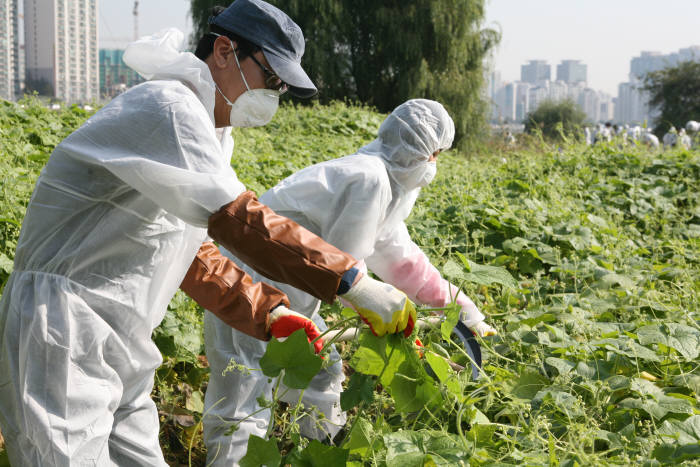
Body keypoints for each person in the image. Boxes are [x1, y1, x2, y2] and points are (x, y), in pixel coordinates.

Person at [0, 1, 416, 465]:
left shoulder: (209, 132)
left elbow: (189, 251)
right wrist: (352, 283)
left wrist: (267, 312)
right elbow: (236, 217)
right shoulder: (168, 107)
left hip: (120, 338)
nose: (273, 94)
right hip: (65, 327)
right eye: (272, 77)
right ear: (223, 51)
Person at [202, 99, 497, 465]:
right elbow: (343, 272)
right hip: (251, 288)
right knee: (244, 391)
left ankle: (321, 449)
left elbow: (403, 262)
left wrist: (465, 312)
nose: (435, 163)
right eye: (435, 153)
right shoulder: (368, 180)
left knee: (323, 370)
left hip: (295, 295)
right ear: (419, 150)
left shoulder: (391, 187)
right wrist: (385, 315)